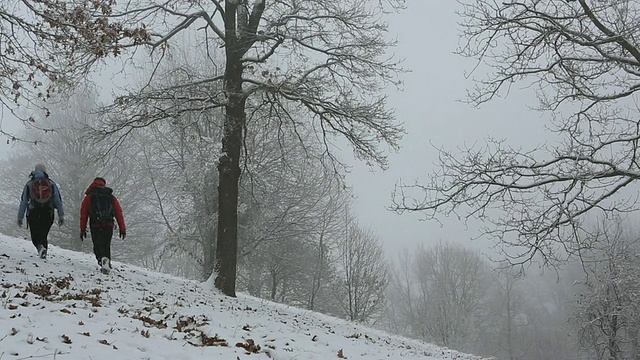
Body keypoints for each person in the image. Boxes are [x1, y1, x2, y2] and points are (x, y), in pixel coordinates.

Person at [17, 163, 65, 259]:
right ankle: (43, 250)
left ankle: (40, 247)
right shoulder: (51, 183)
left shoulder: (29, 184)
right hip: (48, 211)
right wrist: (61, 215)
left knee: (35, 233)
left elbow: (24, 201)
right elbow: (57, 200)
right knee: (43, 233)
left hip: (33, 211)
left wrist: (20, 217)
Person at [79, 177, 126, 273]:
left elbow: (83, 214)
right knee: (106, 245)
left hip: (95, 224)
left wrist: (82, 229)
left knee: (97, 245)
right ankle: (107, 264)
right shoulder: (111, 197)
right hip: (108, 224)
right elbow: (118, 213)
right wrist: (122, 228)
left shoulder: (89, 197)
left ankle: (102, 260)